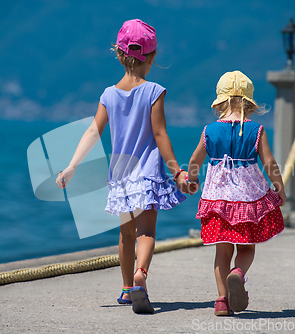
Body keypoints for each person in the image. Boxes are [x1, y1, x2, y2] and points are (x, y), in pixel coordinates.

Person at [56, 19, 194, 314]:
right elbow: (160, 135)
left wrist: (71, 166)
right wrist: (177, 172)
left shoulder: (108, 94)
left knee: (125, 234)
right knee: (146, 232)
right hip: (147, 174)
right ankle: (141, 275)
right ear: (153, 57)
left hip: (120, 177)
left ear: (118, 55)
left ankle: (126, 289)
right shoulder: (154, 91)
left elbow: (93, 131)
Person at [187, 71, 286, 315]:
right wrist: (280, 188)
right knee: (247, 248)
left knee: (222, 252)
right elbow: (270, 162)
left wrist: (191, 179)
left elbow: (194, 161)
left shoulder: (209, 130)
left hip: (217, 201)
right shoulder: (256, 130)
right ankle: (238, 273)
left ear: (220, 102)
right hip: (247, 202)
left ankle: (222, 301)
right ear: (248, 102)